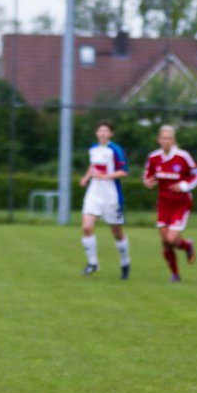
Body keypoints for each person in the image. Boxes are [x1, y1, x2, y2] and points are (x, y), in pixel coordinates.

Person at [142, 125, 197, 282]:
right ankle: (175, 274)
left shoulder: (183, 156)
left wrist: (183, 186)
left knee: (171, 238)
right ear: (159, 140)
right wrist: (147, 181)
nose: (166, 141)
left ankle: (187, 246)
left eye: (169, 138)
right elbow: (147, 174)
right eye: (163, 138)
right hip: (163, 204)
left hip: (181, 203)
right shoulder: (154, 157)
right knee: (165, 242)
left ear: (173, 140)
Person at [77, 120, 131, 279]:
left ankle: (125, 261)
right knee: (86, 227)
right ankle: (93, 263)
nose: (102, 133)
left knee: (117, 233)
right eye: (100, 130)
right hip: (94, 192)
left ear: (111, 134)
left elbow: (124, 171)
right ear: (96, 133)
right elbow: (93, 166)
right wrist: (86, 177)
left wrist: (105, 176)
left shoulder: (115, 150)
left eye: (106, 131)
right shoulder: (93, 149)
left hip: (111, 195)